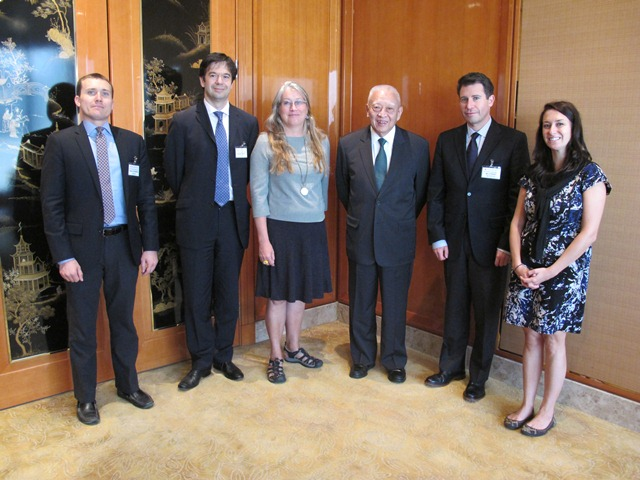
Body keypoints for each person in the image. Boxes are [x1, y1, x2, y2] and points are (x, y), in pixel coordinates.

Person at [40, 73, 159, 425]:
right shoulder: (61, 143)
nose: (98, 98)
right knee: (82, 329)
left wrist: (150, 247)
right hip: (80, 252)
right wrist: (64, 256)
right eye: (91, 92)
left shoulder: (132, 142)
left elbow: (146, 200)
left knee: (124, 323)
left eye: (105, 93)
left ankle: (128, 386)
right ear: (78, 100)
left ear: (112, 101)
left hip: (125, 246)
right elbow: (52, 205)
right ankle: (86, 398)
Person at [503, 101, 610, 436]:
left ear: (573, 128)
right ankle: (527, 404)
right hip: (527, 269)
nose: (553, 131)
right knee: (530, 336)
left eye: (560, 124)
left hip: (564, 272)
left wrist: (551, 271)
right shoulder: (533, 173)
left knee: (553, 340)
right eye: (547, 125)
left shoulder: (590, 173)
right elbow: (517, 222)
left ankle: (547, 411)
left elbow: (589, 233)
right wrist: (518, 264)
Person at [426, 72, 530, 401]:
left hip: (493, 247)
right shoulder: (447, 140)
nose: (469, 105)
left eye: (475, 98)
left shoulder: (512, 141)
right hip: (454, 242)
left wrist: (506, 244)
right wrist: (437, 235)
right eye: (464, 99)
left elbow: (518, 200)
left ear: (490, 100)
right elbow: (436, 192)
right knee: (454, 307)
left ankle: (478, 378)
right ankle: (451, 367)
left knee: (486, 314)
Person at [164, 52, 259, 389]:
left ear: (233, 82)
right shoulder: (183, 121)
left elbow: (250, 173)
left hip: (233, 218)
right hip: (196, 219)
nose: (220, 81)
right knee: (197, 294)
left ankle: (223, 356)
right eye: (213, 75)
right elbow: (174, 173)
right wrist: (198, 199)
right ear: (203, 80)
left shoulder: (247, 123)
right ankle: (201, 361)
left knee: (228, 294)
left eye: (226, 76)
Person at [336, 85, 430, 383]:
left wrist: (393, 219)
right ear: (367, 109)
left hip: (398, 238)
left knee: (395, 304)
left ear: (399, 112)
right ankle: (362, 358)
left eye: (389, 108)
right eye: (376, 107)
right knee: (361, 302)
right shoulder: (348, 144)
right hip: (361, 236)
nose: (382, 114)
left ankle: (394, 360)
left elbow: (419, 194)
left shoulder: (418, 146)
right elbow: (345, 191)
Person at [250, 81, 331, 384]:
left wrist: (317, 216)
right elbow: (258, 195)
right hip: (278, 230)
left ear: (307, 108)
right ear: (278, 109)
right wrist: (264, 240)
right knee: (278, 297)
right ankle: (275, 355)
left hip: (311, 229)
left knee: (299, 295)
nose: (293, 108)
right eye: (286, 103)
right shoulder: (265, 143)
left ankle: (294, 348)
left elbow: (323, 187)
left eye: (298, 102)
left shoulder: (321, 141)